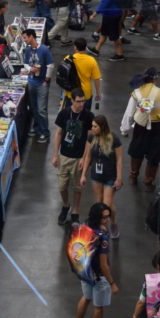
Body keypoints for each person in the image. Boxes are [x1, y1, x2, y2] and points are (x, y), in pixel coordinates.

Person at [68, 202, 119, 318]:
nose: (107, 220)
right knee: (98, 307)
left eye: (108, 216)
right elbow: (104, 264)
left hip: (85, 271)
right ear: (98, 217)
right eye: (104, 218)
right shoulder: (103, 237)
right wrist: (112, 283)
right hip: (99, 277)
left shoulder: (84, 225)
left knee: (85, 298)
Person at [121, 67, 160, 187]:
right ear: (155, 79)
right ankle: (148, 180)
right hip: (158, 127)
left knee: (137, 151)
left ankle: (133, 175)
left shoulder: (136, 92)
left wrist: (124, 129)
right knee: (154, 156)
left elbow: (129, 113)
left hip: (140, 126)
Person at [52, 93, 95, 226]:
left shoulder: (88, 116)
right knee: (62, 186)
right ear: (72, 101)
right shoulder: (64, 114)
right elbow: (58, 133)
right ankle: (66, 205)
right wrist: (55, 154)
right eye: (78, 101)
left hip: (79, 157)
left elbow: (89, 139)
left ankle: (75, 211)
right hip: (64, 156)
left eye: (83, 101)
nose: (81, 104)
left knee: (77, 187)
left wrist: (84, 158)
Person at [79, 113, 123, 230]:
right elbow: (88, 157)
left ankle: (111, 225)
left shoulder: (114, 139)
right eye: (92, 126)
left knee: (106, 206)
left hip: (110, 176)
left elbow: (119, 159)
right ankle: (100, 230)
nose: (92, 129)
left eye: (95, 126)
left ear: (102, 127)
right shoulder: (91, 137)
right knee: (99, 203)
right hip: (96, 175)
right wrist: (83, 175)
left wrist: (119, 178)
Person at [19, 27, 51, 142]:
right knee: (34, 107)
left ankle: (45, 132)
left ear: (31, 36)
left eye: (25, 38)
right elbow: (26, 63)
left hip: (41, 84)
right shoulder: (28, 50)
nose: (25, 40)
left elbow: (50, 65)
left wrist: (46, 80)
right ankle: (37, 128)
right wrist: (30, 69)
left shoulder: (44, 50)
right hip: (32, 82)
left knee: (42, 109)